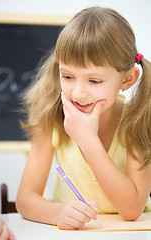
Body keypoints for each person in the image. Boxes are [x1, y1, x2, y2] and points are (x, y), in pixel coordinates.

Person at [16, 7, 151, 230]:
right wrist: (59, 212)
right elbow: (25, 199)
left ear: (127, 79)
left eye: (94, 81)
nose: (78, 93)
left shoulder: (137, 121)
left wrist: (88, 139)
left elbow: (132, 209)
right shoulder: (52, 118)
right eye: (68, 76)